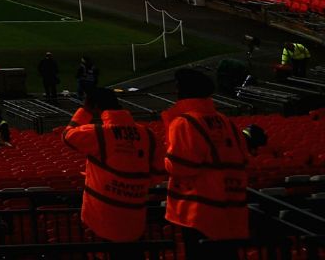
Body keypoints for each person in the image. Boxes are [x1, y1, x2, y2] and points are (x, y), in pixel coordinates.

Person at [163, 68, 251, 250]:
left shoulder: (184, 123)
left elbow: (180, 167)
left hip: (199, 213)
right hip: (231, 209)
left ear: (182, 91)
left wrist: (165, 158)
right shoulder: (227, 121)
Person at [62, 86, 160, 244]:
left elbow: (67, 135)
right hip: (135, 214)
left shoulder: (99, 133)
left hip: (103, 216)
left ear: (94, 106)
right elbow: (159, 171)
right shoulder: (147, 134)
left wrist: (84, 112)